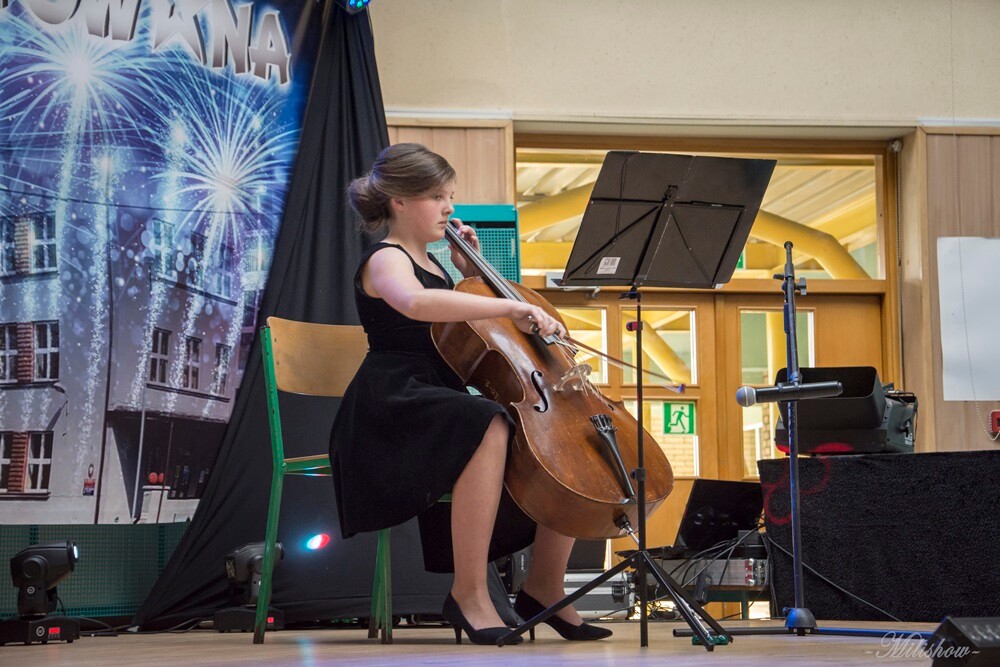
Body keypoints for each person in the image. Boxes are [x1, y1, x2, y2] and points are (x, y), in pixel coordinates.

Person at [329, 143, 612, 645]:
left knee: (560, 443)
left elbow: (464, 327)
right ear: (398, 200)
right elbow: (416, 303)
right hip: (393, 402)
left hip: (438, 395)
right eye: (437, 197)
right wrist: (508, 306)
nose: (449, 208)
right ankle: (469, 593)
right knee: (488, 420)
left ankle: (544, 587)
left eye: (450, 196)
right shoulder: (386, 259)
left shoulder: (440, 267)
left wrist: (469, 271)